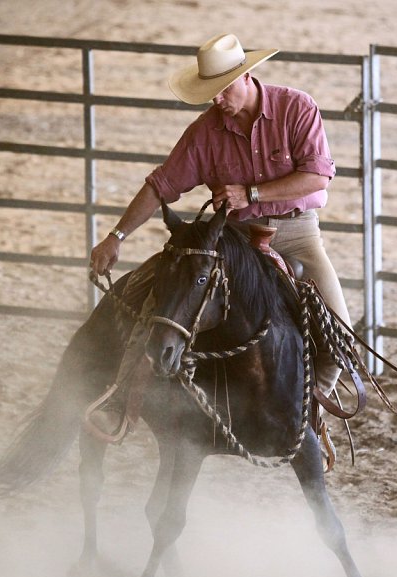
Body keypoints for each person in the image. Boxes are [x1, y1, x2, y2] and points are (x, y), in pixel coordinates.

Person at [86, 33, 350, 468]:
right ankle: (123, 397)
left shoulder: (296, 108)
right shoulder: (205, 132)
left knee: (337, 334)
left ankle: (310, 412)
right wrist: (117, 236)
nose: (219, 100)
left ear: (248, 75)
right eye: (211, 92)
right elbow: (161, 186)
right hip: (232, 239)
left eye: (226, 88)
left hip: (298, 232)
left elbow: (317, 179)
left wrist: (252, 191)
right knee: (161, 299)